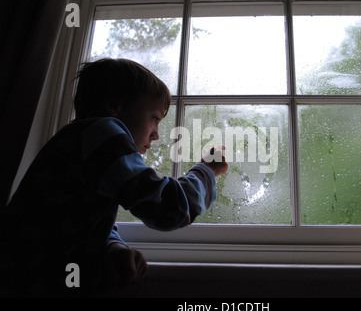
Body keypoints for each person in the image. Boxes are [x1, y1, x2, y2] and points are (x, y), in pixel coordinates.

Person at [0, 58, 228, 297]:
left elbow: (81, 222)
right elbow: (169, 208)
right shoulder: (103, 132)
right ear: (115, 106)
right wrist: (206, 171)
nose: (156, 134)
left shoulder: (82, 143)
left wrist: (112, 246)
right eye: (155, 118)